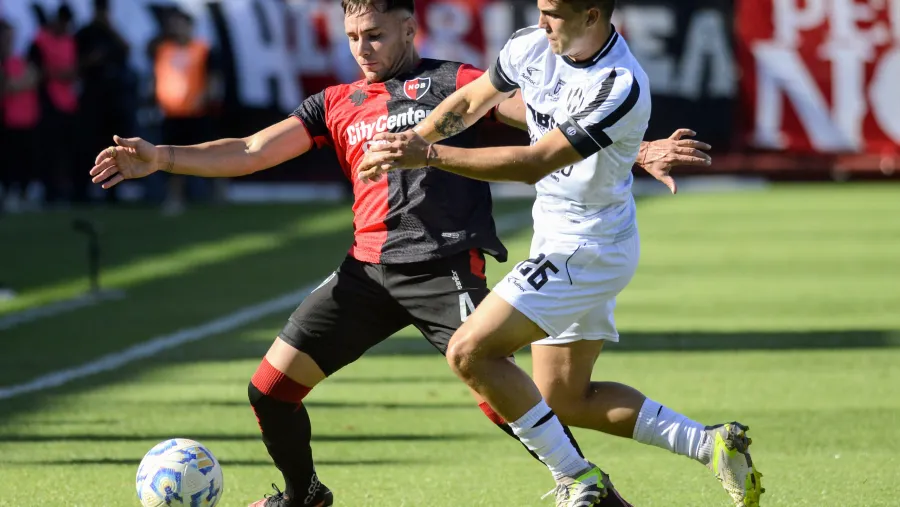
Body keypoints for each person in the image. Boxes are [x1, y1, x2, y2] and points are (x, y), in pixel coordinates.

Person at [89, 1, 712, 506]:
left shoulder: (456, 82)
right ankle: (304, 495)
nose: (364, 48)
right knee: (270, 389)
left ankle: (595, 491)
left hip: (446, 267)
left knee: (504, 398)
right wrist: (163, 157)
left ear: (408, 28)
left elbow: (551, 126)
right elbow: (253, 150)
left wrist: (641, 149)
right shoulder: (334, 103)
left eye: (376, 34)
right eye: (354, 36)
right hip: (366, 273)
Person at [357, 1, 764, 506]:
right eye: (540, 7)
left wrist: (428, 155)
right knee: (564, 398)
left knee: (469, 351)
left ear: (592, 15)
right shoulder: (530, 44)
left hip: (590, 247)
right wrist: (409, 140)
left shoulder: (619, 84)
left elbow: (534, 163)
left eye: (553, 12)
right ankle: (710, 443)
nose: (541, 19)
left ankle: (576, 476)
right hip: (558, 237)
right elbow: (471, 102)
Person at [75, 0, 135, 204]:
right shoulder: (85, 33)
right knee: (88, 143)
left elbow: (127, 50)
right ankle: (83, 191)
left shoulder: (113, 32)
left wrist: (112, 28)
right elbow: (76, 64)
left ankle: (113, 190)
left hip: (113, 98)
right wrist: (92, 60)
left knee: (112, 146)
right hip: (92, 97)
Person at [29, 4, 79, 204]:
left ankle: (64, 190)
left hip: (67, 103)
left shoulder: (69, 41)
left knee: (66, 150)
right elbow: (36, 71)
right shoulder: (40, 41)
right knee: (49, 150)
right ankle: (50, 192)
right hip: (47, 103)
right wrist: (59, 74)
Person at [1, 19, 40, 213]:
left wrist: (20, 83)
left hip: (26, 119)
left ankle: (22, 194)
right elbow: (9, 87)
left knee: (25, 160)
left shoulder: (19, 61)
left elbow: (34, 77)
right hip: (8, 121)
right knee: (9, 161)